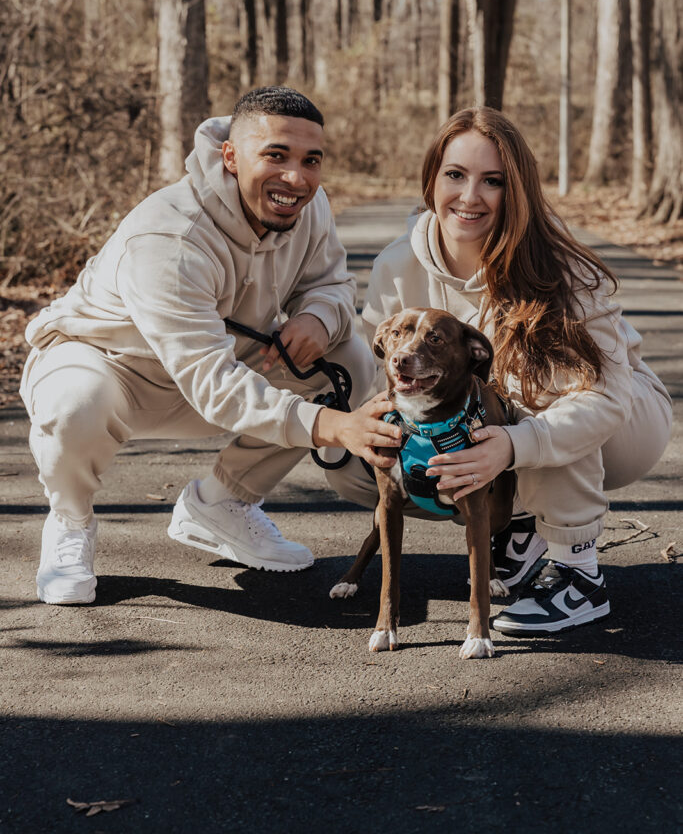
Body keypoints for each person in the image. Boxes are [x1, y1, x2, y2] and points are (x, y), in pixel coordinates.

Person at [21, 86, 401, 605]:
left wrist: (318, 314)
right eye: (276, 155)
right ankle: (69, 520)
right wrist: (333, 426)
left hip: (209, 370)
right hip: (109, 369)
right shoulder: (170, 237)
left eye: (311, 160)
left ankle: (223, 501)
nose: (296, 177)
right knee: (75, 401)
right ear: (230, 156)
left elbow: (332, 283)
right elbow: (212, 382)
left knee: (344, 358)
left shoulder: (304, 206)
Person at [330, 106, 672, 636]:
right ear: (432, 178)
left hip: (619, 417)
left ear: (516, 191)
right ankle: (515, 530)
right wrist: (361, 428)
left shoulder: (561, 270)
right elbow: (387, 379)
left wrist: (512, 446)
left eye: (492, 181)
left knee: (527, 384)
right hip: (487, 420)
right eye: (455, 175)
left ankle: (577, 573)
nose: (469, 197)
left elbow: (600, 398)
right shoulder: (396, 265)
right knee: (355, 460)